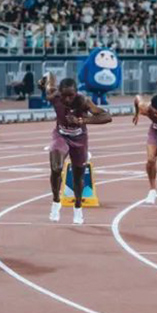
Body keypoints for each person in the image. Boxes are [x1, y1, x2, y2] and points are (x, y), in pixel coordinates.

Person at [43, 74, 112, 224]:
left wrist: (82, 120)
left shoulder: (83, 101)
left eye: (71, 95)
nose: (67, 99)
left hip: (79, 139)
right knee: (56, 167)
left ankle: (78, 207)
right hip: (61, 136)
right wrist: (43, 82)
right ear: (59, 92)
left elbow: (107, 116)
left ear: (76, 93)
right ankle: (56, 202)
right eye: (64, 95)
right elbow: (47, 83)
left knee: (78, 175)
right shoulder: (54, 97)